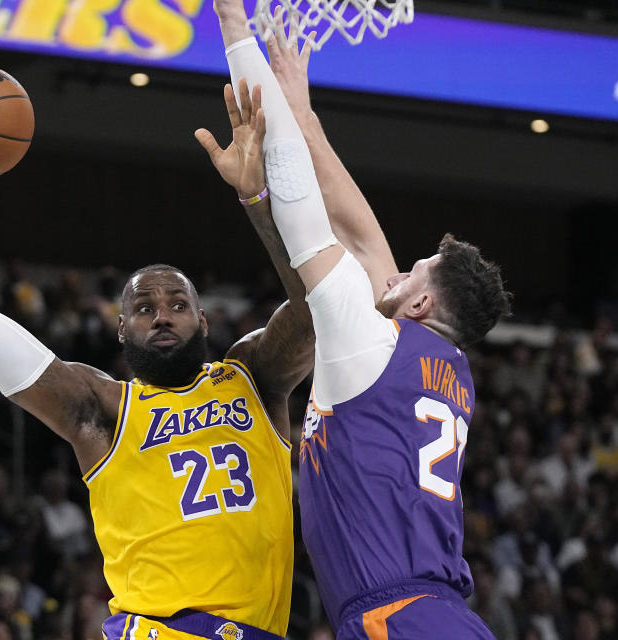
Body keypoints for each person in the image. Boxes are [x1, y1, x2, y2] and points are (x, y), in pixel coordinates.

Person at [0, 83, 313, 640]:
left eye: (177, 304)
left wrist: (259, 200)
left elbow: (318, 304)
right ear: (121, 330)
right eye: (144, 307)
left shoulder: (253, 377)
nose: (162, 315)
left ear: (205, 321)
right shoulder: (103, 409)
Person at [205, 2, 512, 638]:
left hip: (398, 619)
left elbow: (301, 208)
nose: (394, 272)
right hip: (436, 614)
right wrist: (305, 116)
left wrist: (235, 28)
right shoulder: (441, 368)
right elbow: (364, 238)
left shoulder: (369, 341)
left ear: (421, 304)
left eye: (412, 274)